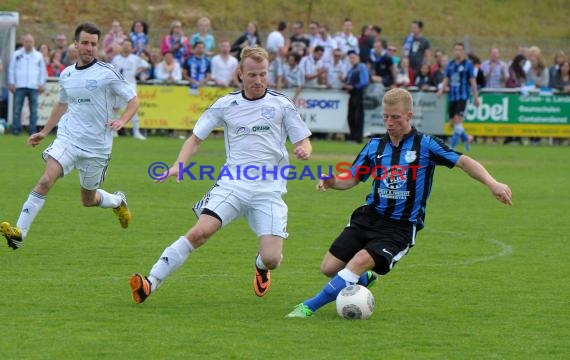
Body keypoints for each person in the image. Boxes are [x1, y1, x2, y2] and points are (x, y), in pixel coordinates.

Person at [286, 87, 513, 318]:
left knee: (357, 262)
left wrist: (492, 183)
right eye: (386, 116)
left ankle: (307, 307)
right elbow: (353, 177)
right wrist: (333, 181)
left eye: (395, 117)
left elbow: (464, 162)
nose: (389, 122)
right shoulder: (375, 146)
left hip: (400, 227)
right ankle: (366, 278)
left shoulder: (426, 145)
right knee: (329, 269)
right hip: (369, 216)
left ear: (409, 116)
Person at [128, 46, 313, 304]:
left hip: (269, 190)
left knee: (272, 259)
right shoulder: (226, 104)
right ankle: (150, 282)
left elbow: (303, 139)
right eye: (252, 75)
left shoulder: (281, 104)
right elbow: (195, 138)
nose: (258, 80)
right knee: (199, 233)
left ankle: (260, 266)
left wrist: (304, 149)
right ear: (240, 73)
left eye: (263, 74)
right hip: (232, 185)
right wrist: (178, 165)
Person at [1, 22, 138, 251]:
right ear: (75, 44)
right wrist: (44, 132)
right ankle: (19, 233)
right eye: (85, 43)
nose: (89, 47)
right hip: (68, 138)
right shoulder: (67, 74)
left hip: (97, 147)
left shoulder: (107, 73)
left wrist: (122, 121)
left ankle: (117, 201)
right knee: (46, 180)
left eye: (93, 44)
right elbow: (62, 104)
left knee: (88, 200)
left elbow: (133, 100)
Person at [437, 42, 480, 151]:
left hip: (463, 97)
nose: (458, 52)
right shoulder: (450, 64)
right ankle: (467, 138)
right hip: (452, 97)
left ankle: (452, 147)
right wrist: (441, 90)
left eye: (460, 50)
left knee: (457, 120)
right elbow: (446, 78)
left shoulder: (468, 65)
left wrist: (476, 97)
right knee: (452, 123)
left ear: (463, 51)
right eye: (456, 49)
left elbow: (473, 81)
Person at [8, 34, 47, 136]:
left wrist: (41, 84)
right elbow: (11, 69)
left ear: (33, 43)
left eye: (30, 42)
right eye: (26, 41)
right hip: (19, 86)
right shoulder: (16, 54)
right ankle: (16, 130)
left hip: (33, 86)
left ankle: (32, 130)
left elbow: (43, 71)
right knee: (17, 109)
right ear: (23, 42)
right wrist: (12, 82)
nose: (28, 44)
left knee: (33, 110)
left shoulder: (38, 55)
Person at [111, 38, 150, 140]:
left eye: (128, 45)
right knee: (115, 108)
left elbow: (146, 65)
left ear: (131, 48)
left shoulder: (135, 58)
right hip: (117, 86)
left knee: (133, 108)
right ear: (122, 46)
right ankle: (114, 132)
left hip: (130, 85)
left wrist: (136, 72)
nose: (126, 47)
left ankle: (136, 132)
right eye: (125, 45)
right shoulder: (116, 59)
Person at [343, 50, 369, 143]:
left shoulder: (361, 67)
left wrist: (353, 86)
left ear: (358, 58)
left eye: (353, 57)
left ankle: (357, 138)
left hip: (358, 93)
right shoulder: (352, 69)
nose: (351, 59)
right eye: (350, 58)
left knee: (358, 116)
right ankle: (353, 137)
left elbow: (364, 81)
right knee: (351, 116)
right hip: (352, 94)